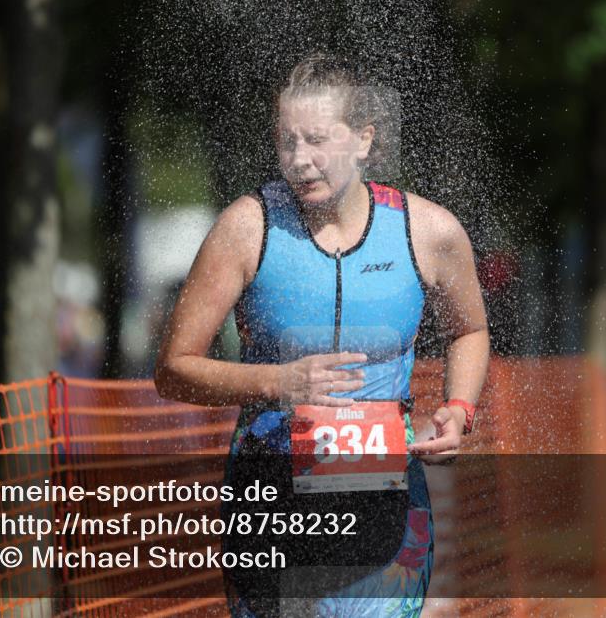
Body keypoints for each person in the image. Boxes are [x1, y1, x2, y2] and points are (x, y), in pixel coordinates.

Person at [155, 52, 489, 617]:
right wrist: (277, 381)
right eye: (287, 142)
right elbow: (172, 368)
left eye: (316, 140)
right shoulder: (246, 228)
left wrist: (459, 407)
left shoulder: (429, 231)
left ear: (364, 139)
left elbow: (470, 330)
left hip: (385, 498)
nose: (300, 161)